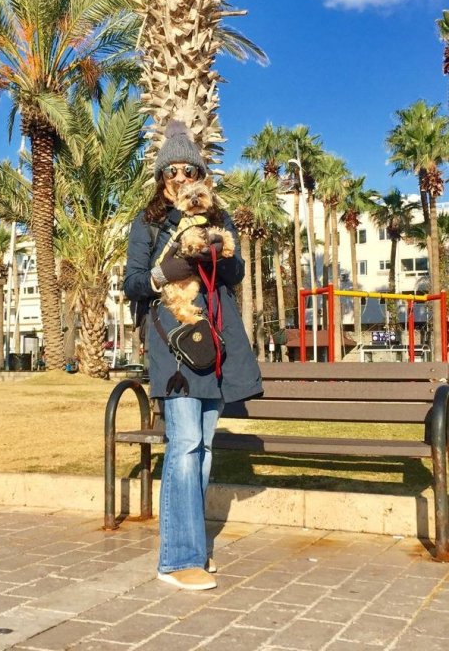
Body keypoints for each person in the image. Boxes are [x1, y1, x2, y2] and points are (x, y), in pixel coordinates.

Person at [123, 119, 262, 591]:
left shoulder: (218, 217)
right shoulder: (147, 223)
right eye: (171, 172)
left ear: (202, 176)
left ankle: (194, 550)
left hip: (215, 341)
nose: (180, 178)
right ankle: (177, 558)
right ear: (161, 178)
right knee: (183, 445)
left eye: (189, 171)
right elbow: (133, 284)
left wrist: (218, 252)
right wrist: (167, 271)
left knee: (202, 448)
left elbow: (236, 273)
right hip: (174, 341)